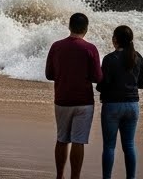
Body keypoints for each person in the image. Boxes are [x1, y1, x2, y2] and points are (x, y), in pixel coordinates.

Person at [46, 12, 103, 179]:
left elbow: (49, 74)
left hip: (62, 99)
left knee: (62, 138)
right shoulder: (90, 48)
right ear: (86, 29)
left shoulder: (56, 46)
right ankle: (75, 177)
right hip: (83, 101)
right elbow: (97, 77)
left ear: (69, 26)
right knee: (79, 140)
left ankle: (59, 176)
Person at [97, 25, 143, 179]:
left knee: (109, 146)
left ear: (116, 39)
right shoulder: (137, 57)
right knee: (129, 146)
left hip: (112, 106)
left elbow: (102, 85)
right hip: (132, 106)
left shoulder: (109, 59)